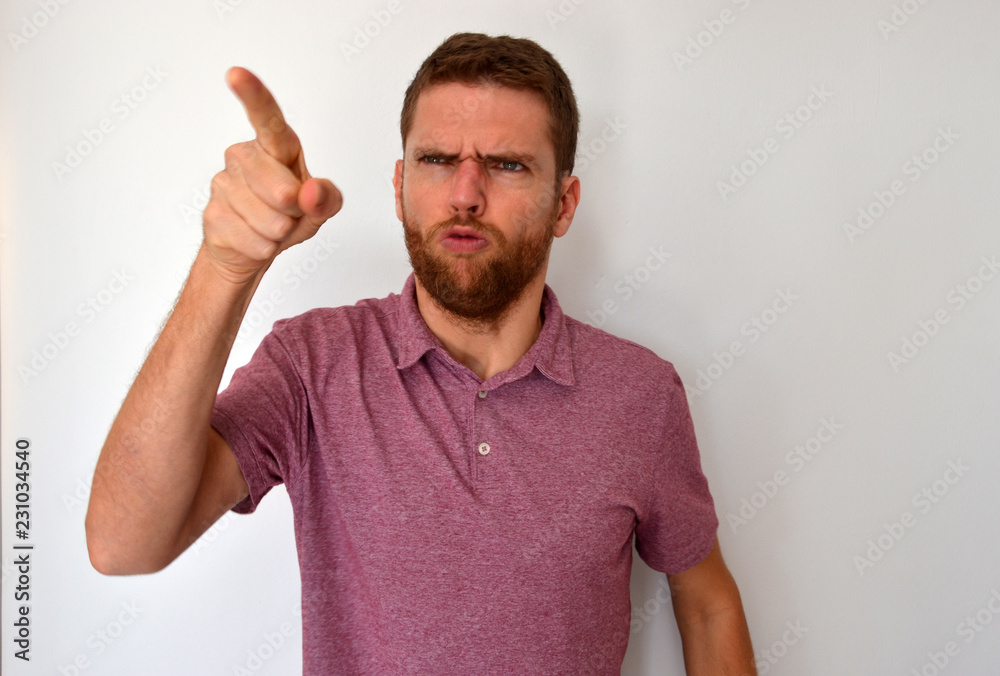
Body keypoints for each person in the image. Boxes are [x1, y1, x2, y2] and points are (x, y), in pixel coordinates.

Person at [86, 32, 756, 675]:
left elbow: (705, 602)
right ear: (402, 185)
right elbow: (123, 544)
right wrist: (224, 266)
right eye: (438, 161)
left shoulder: (641, 395)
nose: (465, 194)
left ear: (564, 204)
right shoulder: (313, 365)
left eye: (507, 164)